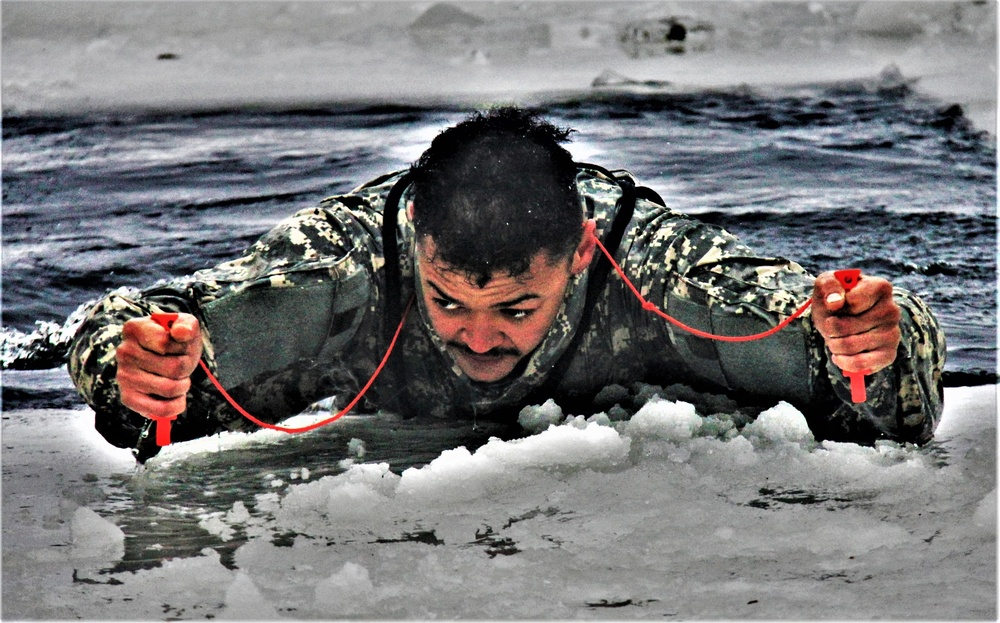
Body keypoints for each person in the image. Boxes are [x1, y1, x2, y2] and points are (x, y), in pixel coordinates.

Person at [68, 107, 945, 462]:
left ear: (580, 255)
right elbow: (130, 322)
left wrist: (876, 336)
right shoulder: (348, 266)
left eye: (516, 309)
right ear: (415, 243)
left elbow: (870, 359)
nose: (479, 339)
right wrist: (136, 364)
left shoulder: (653, 268)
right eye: (449, 301)